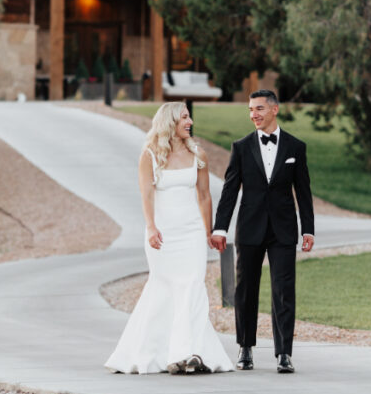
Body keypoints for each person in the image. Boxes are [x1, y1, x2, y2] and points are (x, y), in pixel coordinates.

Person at [105, 102, 233, 374]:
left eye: (189, 117)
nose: (190, 122)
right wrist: (151, 227)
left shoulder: (198, 154)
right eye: (184, 117)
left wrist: (208, 231)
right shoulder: (150, 155)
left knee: (194, 286)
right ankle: (158, 352)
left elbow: (204, 195)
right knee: (163, 287)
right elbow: (147, 195)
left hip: (192, 233)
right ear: (170, 122)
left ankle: (192, 352)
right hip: (163, 233)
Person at [211, 89, 314, 373]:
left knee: (284, 291)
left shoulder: (296, 147)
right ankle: (245, 348)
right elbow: (230, 191)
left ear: (274, 110)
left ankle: (284, 354)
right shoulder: (241, 147)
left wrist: (308, 229)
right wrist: (220, 228)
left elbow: (303, 192)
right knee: (246, 290)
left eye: (258, 109)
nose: (253, 114)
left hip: (283, 230)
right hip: (250, 227)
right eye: (250, 110)